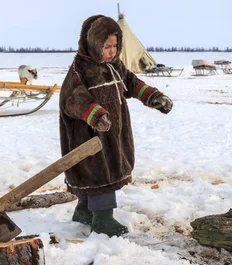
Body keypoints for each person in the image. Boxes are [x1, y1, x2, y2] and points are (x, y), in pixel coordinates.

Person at [59, 15, 173, 236]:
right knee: (98, 172)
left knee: (106, 166)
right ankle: (102, 218)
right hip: (88, 134)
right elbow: (72, 98)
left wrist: (153, 97)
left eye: (115, 46)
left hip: (113, 131)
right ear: (93, 43)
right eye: (106, 46)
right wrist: (95, 114)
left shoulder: (115, 66)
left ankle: (84, 210)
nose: (111, 51)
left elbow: (132, 83)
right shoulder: (81, 69)